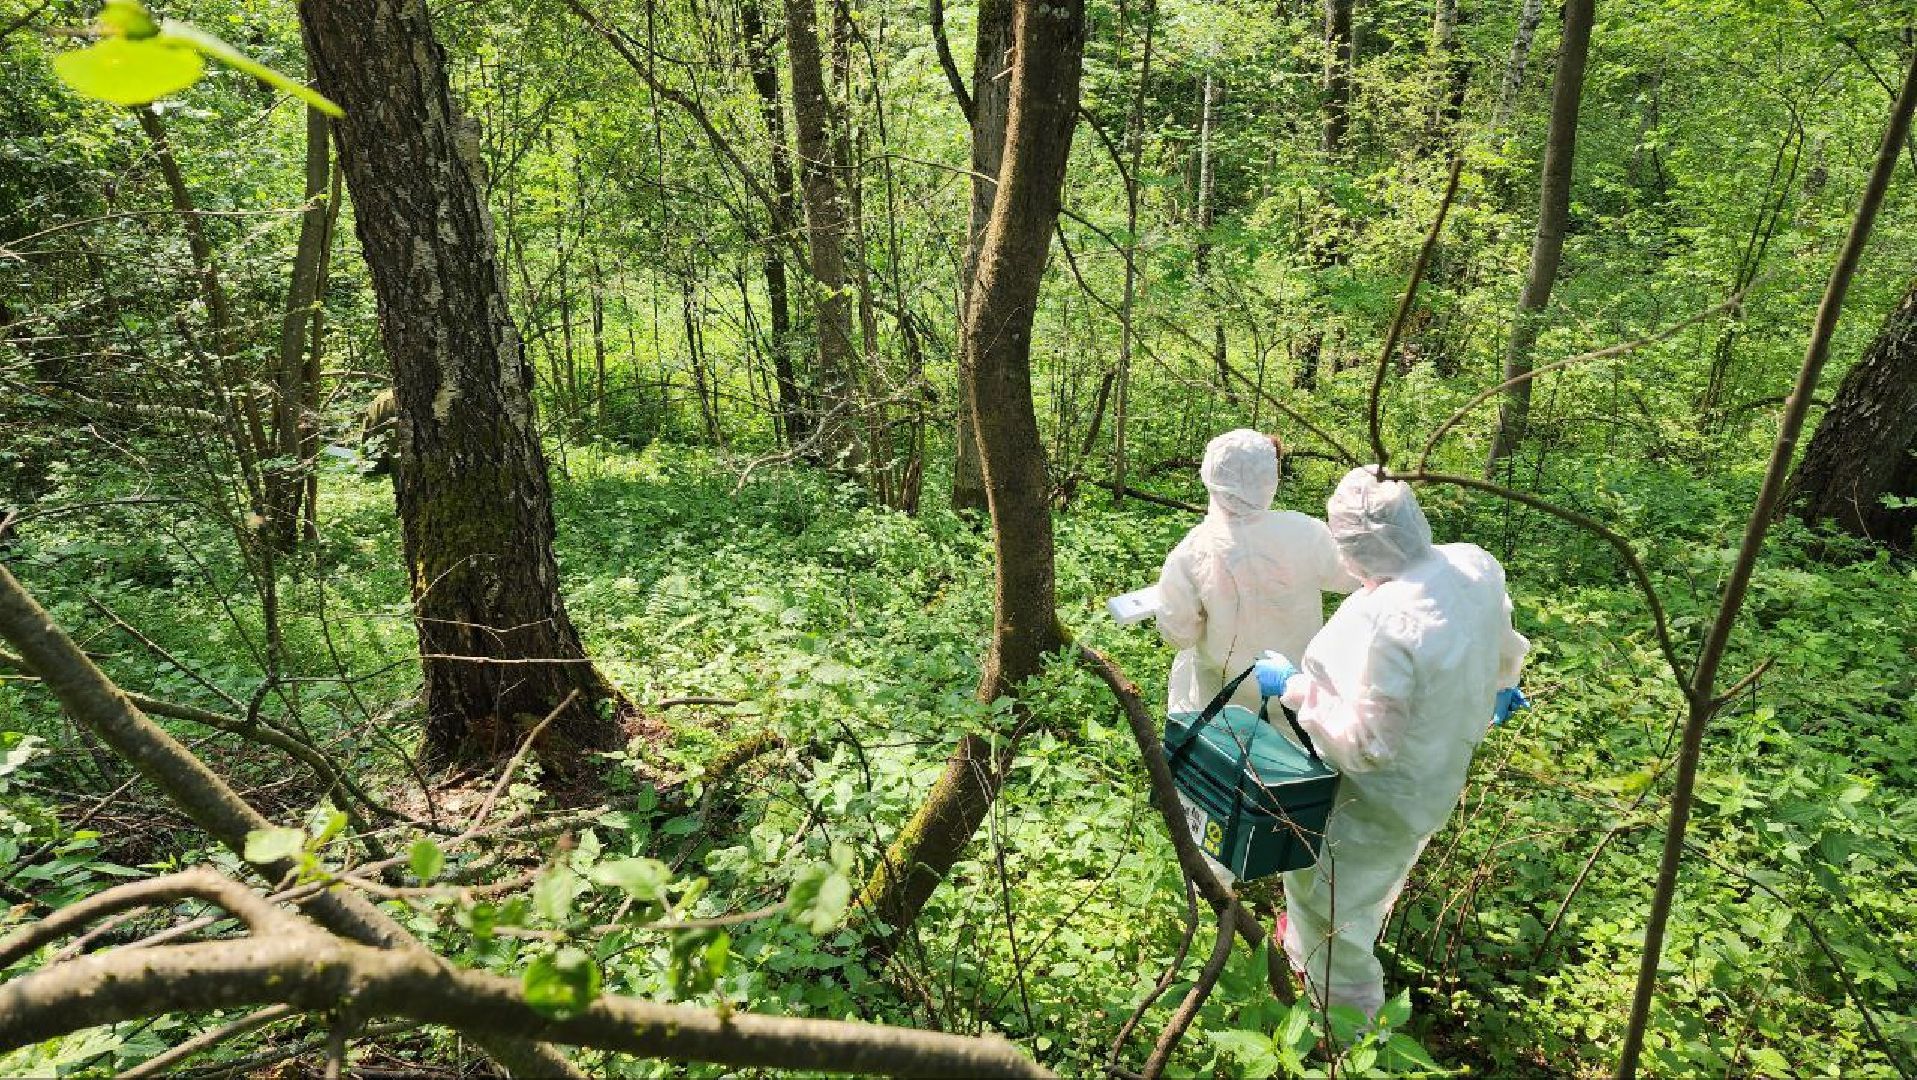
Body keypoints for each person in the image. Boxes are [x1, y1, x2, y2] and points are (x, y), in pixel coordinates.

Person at [1254, 466, 1529, 1017]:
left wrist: (1296, 690)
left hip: (1378, 798)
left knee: (1329, 899)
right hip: (1438, 770)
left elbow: (1364, 744)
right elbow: (1498, 634)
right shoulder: (1469, 565)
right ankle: (1310, 946)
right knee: (1374, 879)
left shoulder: (1385, 620)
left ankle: (1348, 1029)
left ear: (1356, 546)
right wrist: (1504, 681)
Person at [1154, 429, 1358, 716]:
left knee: (1229, 758)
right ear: (1269, 479)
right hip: (1297, 696)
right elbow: (1352, 576)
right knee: (1290, 759)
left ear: (1210, 476)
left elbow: (1178, 634)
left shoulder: (1192, 550)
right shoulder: (1305, 532)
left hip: (1223, 706)